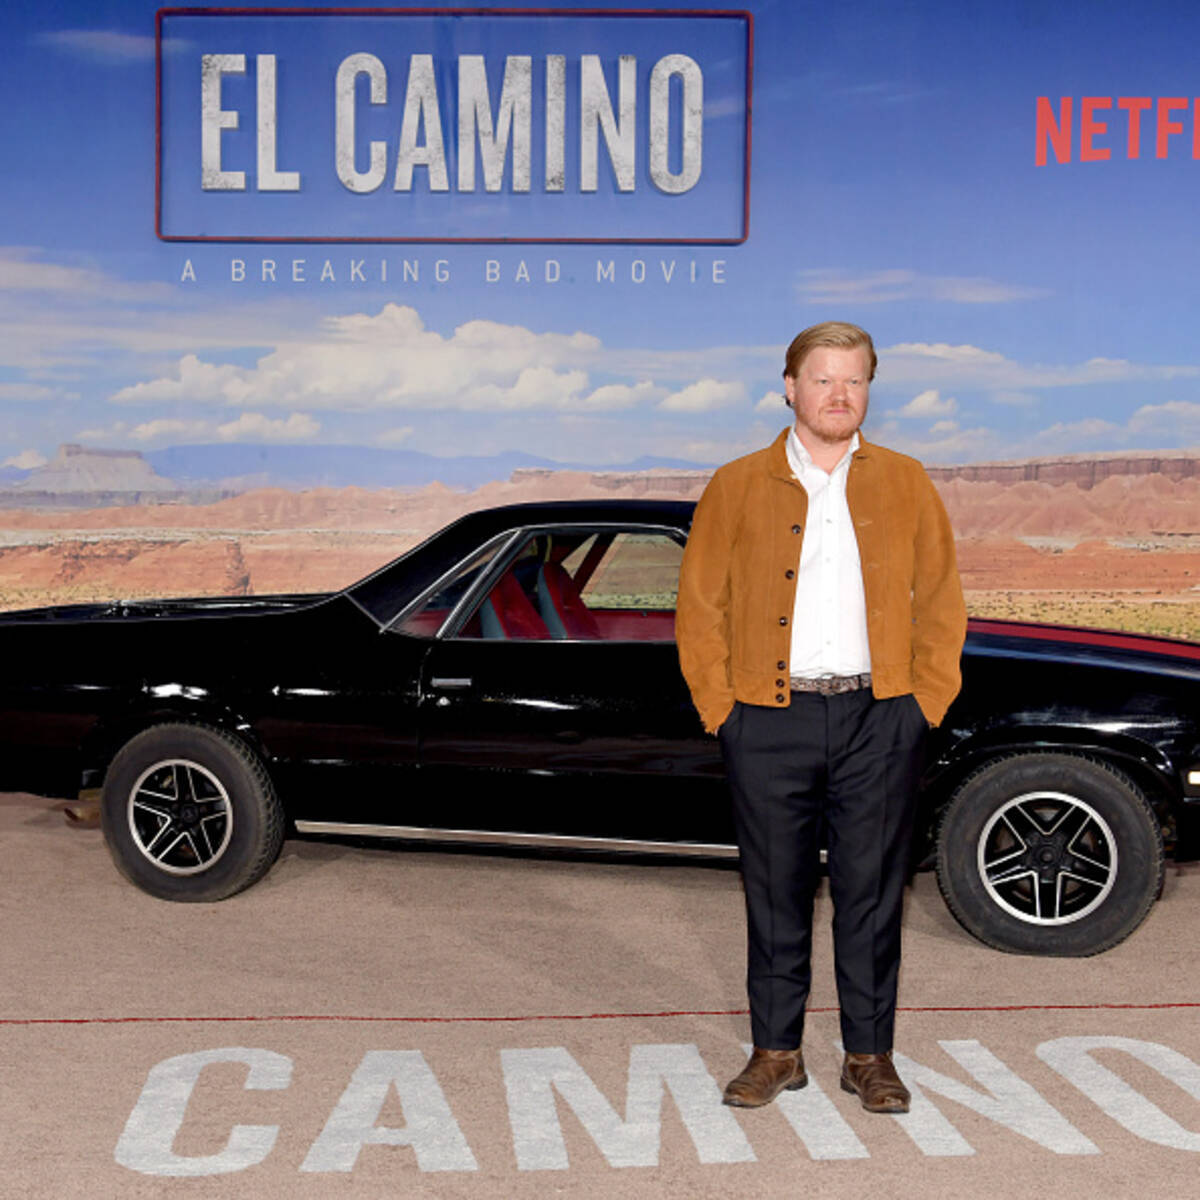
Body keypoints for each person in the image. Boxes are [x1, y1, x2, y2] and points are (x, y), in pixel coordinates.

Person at [675, 320, 966, 1112]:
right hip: (769, 719)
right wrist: (723, 710)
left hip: (881, 717)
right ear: (790, 387)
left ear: (868, 389)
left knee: (871, 894)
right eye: (823, 379)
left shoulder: (906, 481)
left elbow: (942, 599)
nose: (840, 394)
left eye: (854, 380)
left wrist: (923, 703)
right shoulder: (737, 484)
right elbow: (700, 606)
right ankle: (776, 1053)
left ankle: (869, 1057)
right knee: (775, 891)